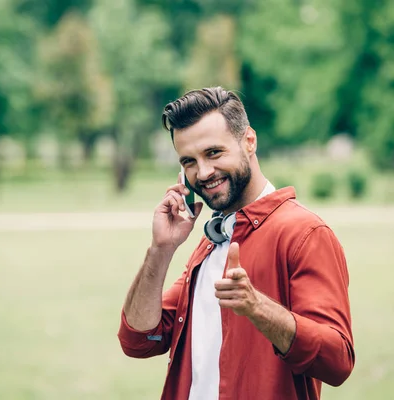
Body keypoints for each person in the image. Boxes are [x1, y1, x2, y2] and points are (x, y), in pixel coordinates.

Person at [117, 87, 354, 400]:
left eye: (213, 153)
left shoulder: (305, 233)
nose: (202, 172)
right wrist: (161, 250)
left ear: (249, 141)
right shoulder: (212, 241)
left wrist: (257, 307)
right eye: (189, 161)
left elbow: (337, 361)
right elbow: (139, 339)